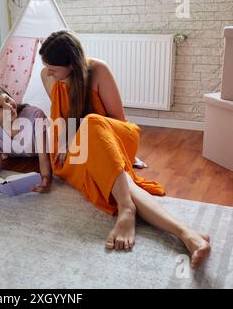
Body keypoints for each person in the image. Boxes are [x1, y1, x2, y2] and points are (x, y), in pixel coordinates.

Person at [39, 30, 211, 269]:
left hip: (112, 138)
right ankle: (187, 234)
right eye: (46, 66)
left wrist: (86, 129)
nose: (48, 73)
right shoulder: (48, 76)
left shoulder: (98, 70)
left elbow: (118, 118)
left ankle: (126, 208)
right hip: (75, 149)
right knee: (121, 181)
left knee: (92, 123)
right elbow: (64, 117)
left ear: (71, 64)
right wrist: (67, 140)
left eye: (53, 68)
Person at [0, 84, 52, 194]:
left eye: (7, 99)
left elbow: (44, 157)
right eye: (0, 107)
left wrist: (45, 178)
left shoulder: (35, 116)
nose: (9, 107)